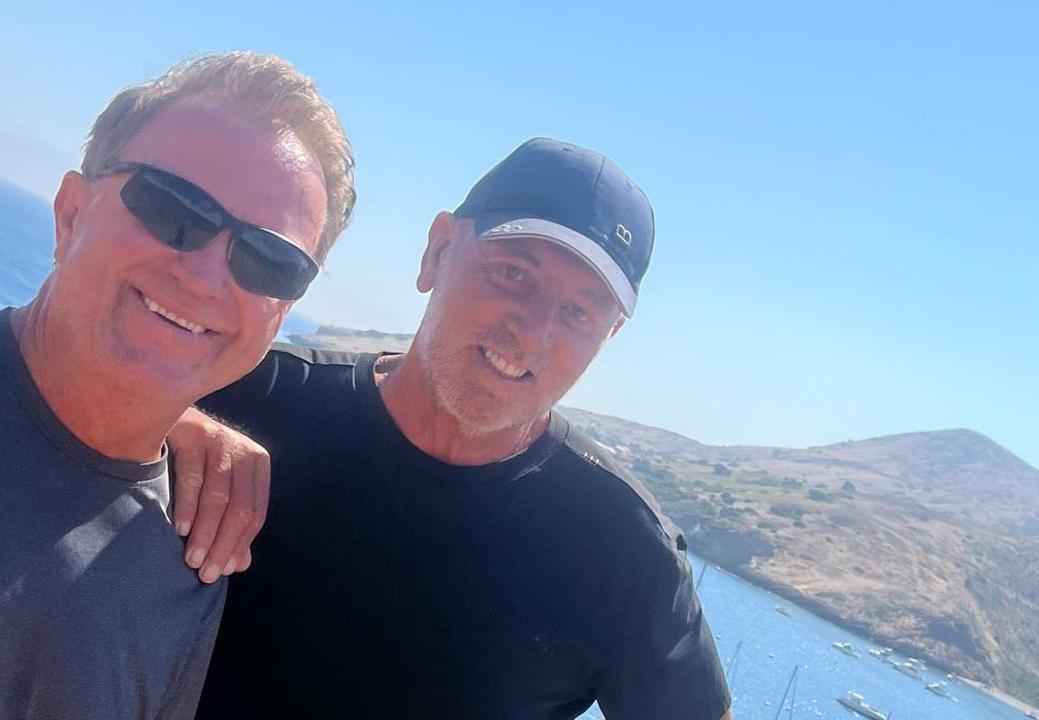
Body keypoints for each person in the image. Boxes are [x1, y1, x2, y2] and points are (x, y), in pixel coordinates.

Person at [190, 138, 732, 719]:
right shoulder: (250, 399)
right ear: (438, 250)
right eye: (514, 273)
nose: (533, 333)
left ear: (609, 336)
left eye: (579, 311)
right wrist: (170, 421)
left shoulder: (623, 547)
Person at [0, 52, 355, 719]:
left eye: (268, 259)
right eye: (172, 209)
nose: (206, 274)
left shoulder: (205, 545)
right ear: (71, 212)